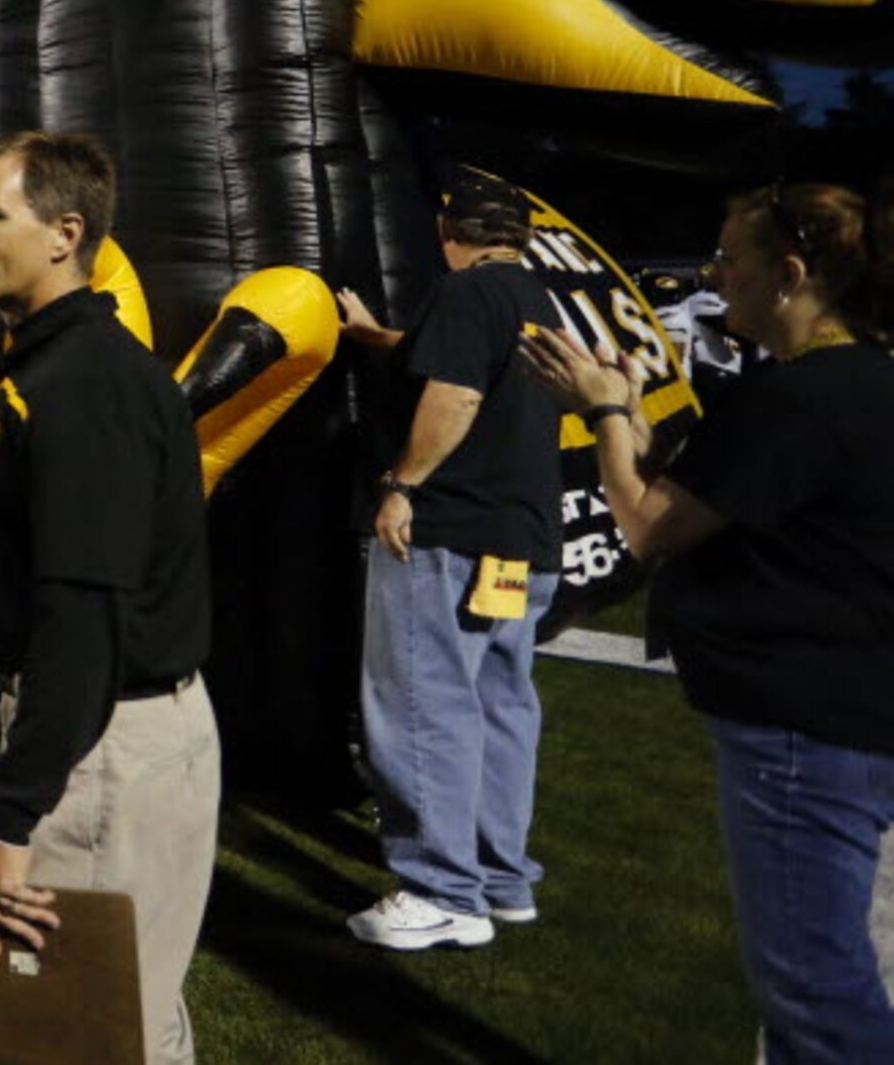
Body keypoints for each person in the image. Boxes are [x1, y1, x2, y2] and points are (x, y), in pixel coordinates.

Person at [526, 180, 894, 1061]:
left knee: (808, 980)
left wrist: (608, 408)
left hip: (802, 727)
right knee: (825, 960)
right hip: (849, 708)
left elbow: (650, 524)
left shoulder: (800, 395)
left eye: (732, 256)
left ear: (790, 274)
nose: (712, 272)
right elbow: (733, 495)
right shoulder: (858, 381)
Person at [0, 130, 213, 1065]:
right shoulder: (65, 363)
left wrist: (8, 820)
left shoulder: (83, 381)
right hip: (120, 726)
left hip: (101, 741)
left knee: (72, 1033)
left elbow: (83, 615)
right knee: (132, 1022)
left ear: (65, 233)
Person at [335, 170, 563, 951]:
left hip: (447, 535)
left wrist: (403, 484)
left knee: (421, 703)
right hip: (520, 543)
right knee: (498, 704)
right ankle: (501, 880)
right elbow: (465, 363)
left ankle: (441, 891)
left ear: (447, 230)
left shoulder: (464, 294)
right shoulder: (536, 300)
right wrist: (378, 341)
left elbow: (456, 393)